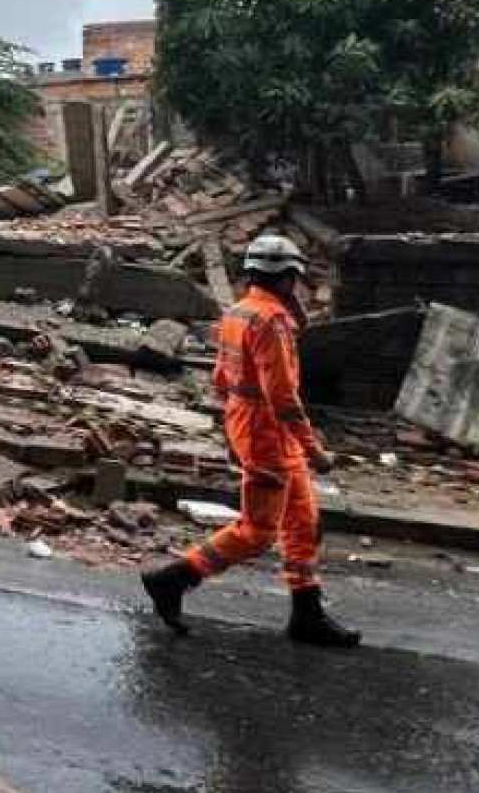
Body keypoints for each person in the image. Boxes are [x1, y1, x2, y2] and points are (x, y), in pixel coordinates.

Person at [140, 233, 360, 648]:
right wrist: (314, 449)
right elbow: (282, 396)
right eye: (295, 277)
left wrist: (235, 427)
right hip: (266, 433)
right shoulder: (272, 321)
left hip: (253, 425)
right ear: (287, 277)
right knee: (259, 530)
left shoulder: (239, 312)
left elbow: (221, 379)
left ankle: (307, 614)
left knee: (302, 521)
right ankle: (173, 579)